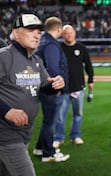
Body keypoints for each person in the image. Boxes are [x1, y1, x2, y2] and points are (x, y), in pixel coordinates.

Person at [0, 13, 65, 176]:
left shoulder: (35, 60)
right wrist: (6, 110)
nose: (37, 34)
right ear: (15, 33)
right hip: (6, 134)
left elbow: (44, 85)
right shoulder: (4, 57)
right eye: (30, 30)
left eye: (39, 31)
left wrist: (56, 84)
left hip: (24, 133)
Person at [33, 16, 70, 162]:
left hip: (42, 86)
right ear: (59, 29)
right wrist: (57, 86)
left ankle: (39, 148)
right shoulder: (51, 44)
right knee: (50, 122)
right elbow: (53, 67)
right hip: (49, 88)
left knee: (47, 121)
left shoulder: (43, 40)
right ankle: (48, 154)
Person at [53, 24, 94, 147]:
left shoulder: (82, 48)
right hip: (63, 89)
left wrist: (91, 80)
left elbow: (88, 65)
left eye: (70, 33)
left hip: (78, 88)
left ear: (74, 33)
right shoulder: (59, 48)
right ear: (62, 35)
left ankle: (75, 136)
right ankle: (59, 137)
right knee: (60, 116)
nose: (68, 35)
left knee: (78, 114)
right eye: (66, 33)